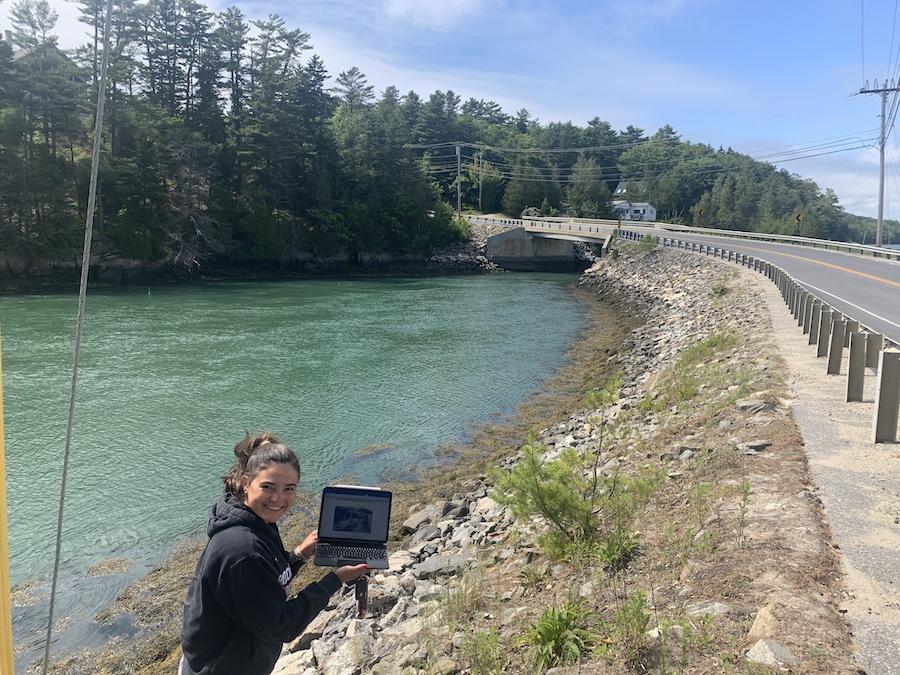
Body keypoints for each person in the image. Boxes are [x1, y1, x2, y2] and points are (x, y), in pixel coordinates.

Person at [180, 432, 368, 675]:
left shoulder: (255, 520)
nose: (278, 499)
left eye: (289, 488)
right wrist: (335, 580)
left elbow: (266, 581)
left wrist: (300, 554)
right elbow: (281, 626)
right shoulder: (242, 550)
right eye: (268, 487)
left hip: (226, 657)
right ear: (246, 482)